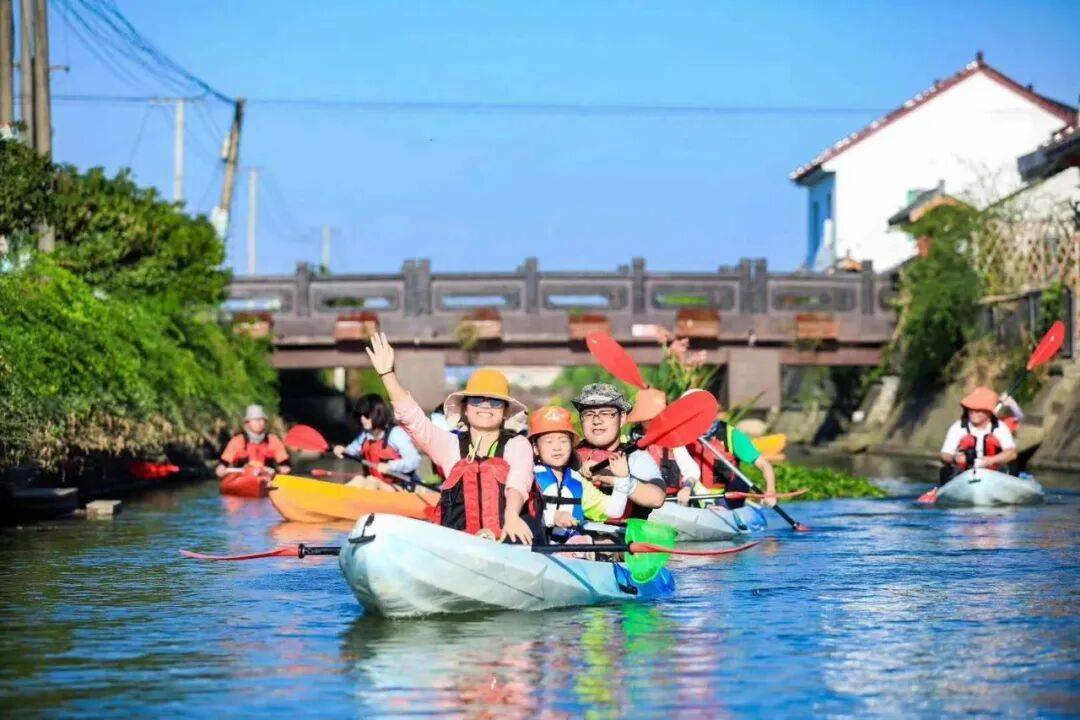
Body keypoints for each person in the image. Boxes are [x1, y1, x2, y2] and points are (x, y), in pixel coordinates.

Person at [366, 332, 541, 544]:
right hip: (459, 544)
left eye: (495, 402)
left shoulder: (517, 445)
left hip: (506, 538)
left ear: (505, 411)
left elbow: (518, 483)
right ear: (465, 409)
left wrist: (512, 516)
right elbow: (413, 420)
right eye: (477, 400)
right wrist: (387, 374)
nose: (485, 406)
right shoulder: (450, 446)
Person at [529, 405, 631, 542]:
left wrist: (622, 479)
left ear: (571, 446)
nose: (557, 447)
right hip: (533, 551)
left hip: (569, 553)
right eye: (549, 441)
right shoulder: (528, 477)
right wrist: (551, 517)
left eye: (563, 441)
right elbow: (516, 515)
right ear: (535, 448)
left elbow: (614, 511)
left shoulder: (578, 482)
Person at [572, 383, 667, 520]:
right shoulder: (568, 455)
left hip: (623, 537)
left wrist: (606, 477)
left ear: (622, 419)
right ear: (581, 420)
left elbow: (657, 498)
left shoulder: (636, 456)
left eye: (605, 413)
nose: (597, 420)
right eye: (589, 414)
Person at [686, 407, 777, 508]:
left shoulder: (732, 435)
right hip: (692, 492)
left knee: (741, 483)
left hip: (724, 496)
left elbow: (764, 465)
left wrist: (770, 490)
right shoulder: (684, 434)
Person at [626, 387, 701, 506]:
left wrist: (687, 488)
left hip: (672, 504)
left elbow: (692, 471)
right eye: (649, 418)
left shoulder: (673, 443)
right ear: (640, 419)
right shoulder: (628, 443)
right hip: (640, 505)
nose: (654, 422)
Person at [333, 393, 423, 491]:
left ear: (378, 413)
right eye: (360, 415)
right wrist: (342, 450)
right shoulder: (365, 436)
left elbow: (414, 460)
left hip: (402, 487)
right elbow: (350, 451)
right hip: (377, 485)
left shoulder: (396, 434)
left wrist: (391, 466)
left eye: (367, 415)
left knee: (372, 481)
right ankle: (335, 496)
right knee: (359, 479)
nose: (362, 419)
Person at [939, 386, 1018, 484]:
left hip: (994, 472)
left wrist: (990, 460)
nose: (973, 412)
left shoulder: (1000, 427)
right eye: (971, 409)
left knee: (1013, 465)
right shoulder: (958, 427)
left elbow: (1011, 453)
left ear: (989, 412)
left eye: (978, 409)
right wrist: (955, 458)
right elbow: (944, 455)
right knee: (945, 471)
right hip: (964, 473)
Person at [216, 404, 291, 478]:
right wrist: (221, 469)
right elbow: (224, 462)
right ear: (247, 424)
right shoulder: (237, 441)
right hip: (242, 479)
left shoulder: (273, 440)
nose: (260, 423)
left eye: (262, 420)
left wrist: (284, 468)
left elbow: (284, 461)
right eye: (256, 420)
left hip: (266, 478)